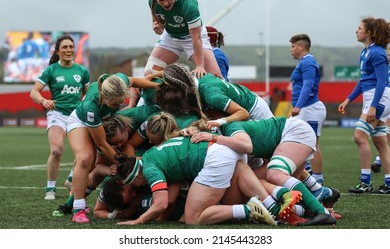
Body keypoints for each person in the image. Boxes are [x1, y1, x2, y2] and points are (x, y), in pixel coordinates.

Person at [115, 113, 300, 226]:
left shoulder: (149, 168)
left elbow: (162, 203)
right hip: (226, 150)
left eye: (135, 184)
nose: (138, 187)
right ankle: (282, 206)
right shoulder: (152, 154)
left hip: (215, 158)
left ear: (137, 174)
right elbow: (170, 196)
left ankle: (249, 211)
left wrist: (138, 221)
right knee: (236, 191)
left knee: (193, 218)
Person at [188, 117, 337, 226]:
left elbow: (246, 146)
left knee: (274, 174)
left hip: (294, 131)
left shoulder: (231, 127)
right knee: (255, 182)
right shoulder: (230, 133)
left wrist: (212, 137)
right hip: (291, 134)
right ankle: (314, 209)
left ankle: (321, 211)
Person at [67, 72, 160, 223]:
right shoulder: (91, 107)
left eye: (120, 103)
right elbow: (102, 144)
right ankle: (78, 209)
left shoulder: (118, 81)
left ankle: (70, 191)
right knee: (85, 158)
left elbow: (135, 81)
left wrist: (158, 85)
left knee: (92, 165)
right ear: (104, 96)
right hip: (81, 121)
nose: (118, 107)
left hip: (102, 121)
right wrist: (125, 165)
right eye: (115, 104)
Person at [30, 34, 90, 200]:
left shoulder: (82, 71)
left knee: (84, 153)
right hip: (57, 114)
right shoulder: (51, 70)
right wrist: (44, 100)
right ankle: (50, 189)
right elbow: (34, 92)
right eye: (65, 47)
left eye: (71, 47)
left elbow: (88, 95)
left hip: (76, 116)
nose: (69, 50)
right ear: (58, 51)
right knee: (56, 151)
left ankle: (70, 179)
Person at [338, 17, 390, 194]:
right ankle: (389, 183)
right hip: (373, 97)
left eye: (359, 28)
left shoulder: (377, 52)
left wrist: (374, 106)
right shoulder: (365, 52)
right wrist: (348, 100)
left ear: (369, 33)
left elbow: (382, 82)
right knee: (380, 142)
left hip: (379, 98)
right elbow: (364, 80)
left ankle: (365, 182)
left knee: (359, 137)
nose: (356, 31)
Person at [145, 0, 222, 79]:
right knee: (150, 74)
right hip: (170, 37)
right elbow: (155, 15)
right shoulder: (152, 0)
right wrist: (156, 24)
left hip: (192, 37)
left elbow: (196, 38)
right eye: (161, 0)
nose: (165, 3)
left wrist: (200, 66)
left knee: (214, 77)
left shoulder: (188, 3)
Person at [289, 34, 327, 184]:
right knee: (298, 143)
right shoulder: (304, 62)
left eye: (293, 47)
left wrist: (298, 106)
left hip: (310, 108)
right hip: (304, 109)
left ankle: (318, 180)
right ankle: (308, 174)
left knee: (313, 145)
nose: (291, 50)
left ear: (301, 47)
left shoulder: (308, 63)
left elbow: (308, 85)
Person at [371, 46, 390, 173]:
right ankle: (379, 158)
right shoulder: (385, 68)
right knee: (385, 126)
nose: (388, 56)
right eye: (388, 54)